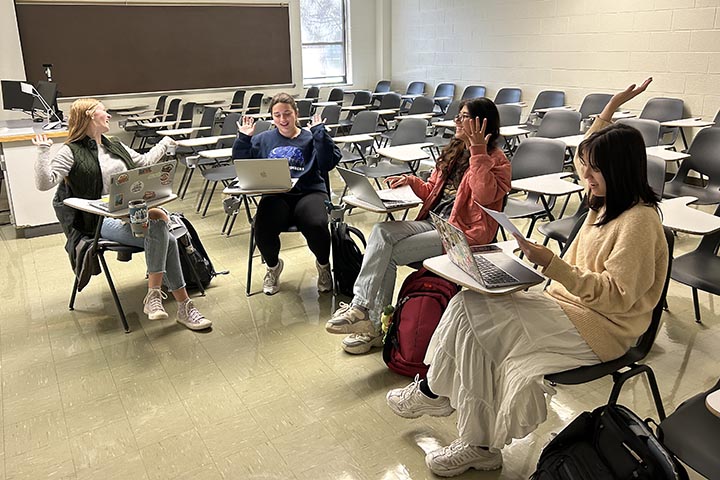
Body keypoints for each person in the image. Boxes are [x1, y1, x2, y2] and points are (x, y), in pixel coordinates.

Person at [384, 78, 669, 477]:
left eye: (593, 172)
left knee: (474, 319)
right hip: (568, 306)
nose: (584, 178)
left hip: (602, 329)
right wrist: (609, 111)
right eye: (585, 169)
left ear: (617, 172)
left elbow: (617, 298)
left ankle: (449, 410)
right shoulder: (606, 197)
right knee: (469, 309)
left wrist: (553, 265)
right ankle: (462, 424)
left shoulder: (638, 222)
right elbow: (589, 154)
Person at [325, 97, 512, 354]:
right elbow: (431, 191)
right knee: (381, 232)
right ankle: (362, 309)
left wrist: (478, 152)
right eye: (458, 115)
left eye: (464, 116)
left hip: (461, 235)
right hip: (433, 222)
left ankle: (372, 326)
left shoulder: (497, 160)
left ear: (482, 124)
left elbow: (484, 195)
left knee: (386, 254)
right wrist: (411, 181)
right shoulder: (454, 150)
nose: (457, 120)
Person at [33, 98, 211, 331]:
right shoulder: (71, 151)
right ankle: (179, 305)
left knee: (160, 228)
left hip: (132, 214)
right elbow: (45, 183)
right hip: (100, 220)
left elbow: (144, 161)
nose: (108, 116)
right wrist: (43, 152)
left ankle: (159, 297)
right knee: (162, 231)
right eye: (103, 112)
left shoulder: (114, 144)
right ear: (88, 116)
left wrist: (164, 143)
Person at [232, 92, 341, 295]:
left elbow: (328, 163)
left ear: (296, 114)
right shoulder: (263, 139)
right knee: (262, 226)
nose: (283, 119)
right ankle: (273, 267)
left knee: (316, 224)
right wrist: (244, 139)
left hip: (309, 193)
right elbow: (243, 166)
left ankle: (324, 266)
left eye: (287, 114)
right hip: (276, 194)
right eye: (277, 115)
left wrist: (320, 134)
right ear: (272, 117)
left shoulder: (311, 137)